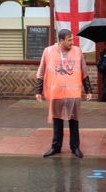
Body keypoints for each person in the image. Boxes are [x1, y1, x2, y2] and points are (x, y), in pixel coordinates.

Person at [35, 29, 92, 158]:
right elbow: (41, 71)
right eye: (69, 39)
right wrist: (38, 90)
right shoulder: (48, 51)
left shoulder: (77, 51)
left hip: (73, 92)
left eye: (72, 39)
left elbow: (84, 71)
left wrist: (88, 90)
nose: (72, 42)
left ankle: (75, 147)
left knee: (74, 121)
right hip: (56, 92)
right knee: (57, 121)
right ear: (61, 40)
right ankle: (56, 146)